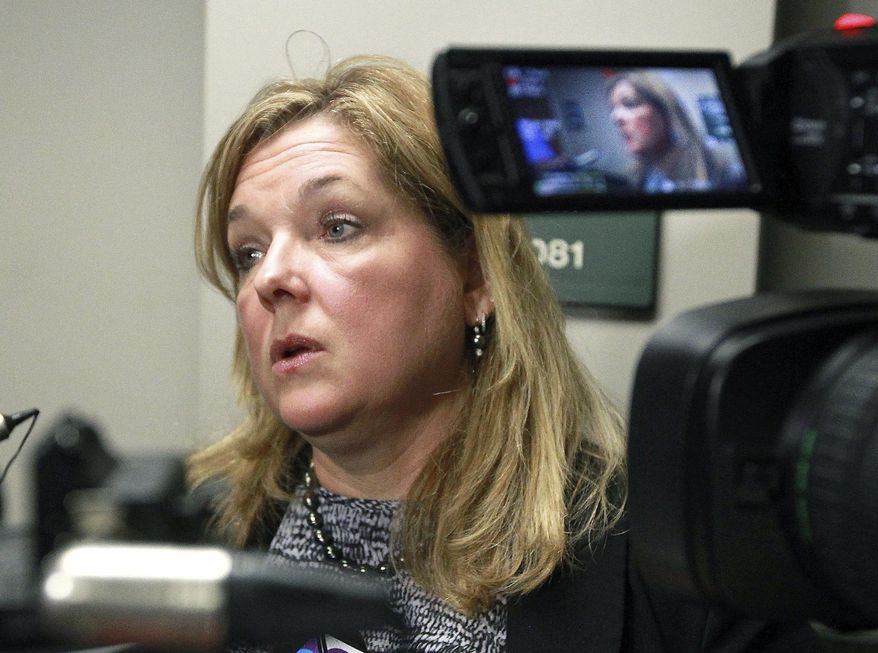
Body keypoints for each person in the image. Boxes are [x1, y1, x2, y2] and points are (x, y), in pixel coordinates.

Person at [189, 55, 815, 652]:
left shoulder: (677, 556)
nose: (270, 278)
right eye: (248, 251)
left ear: (475, 277)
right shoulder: (195, 529)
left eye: (337, 226)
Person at [607, 71, 747, 193]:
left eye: (630, 104)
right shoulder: (639, 177)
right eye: (613, 108)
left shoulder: (725, 173)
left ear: (665, 111)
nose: (615, 117)